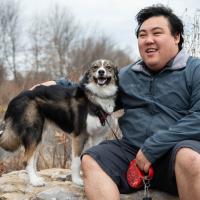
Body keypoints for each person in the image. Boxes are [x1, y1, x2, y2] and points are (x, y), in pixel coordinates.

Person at [35, 5, 200, 200]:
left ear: (176, 37)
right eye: (142, 35)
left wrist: (153, 147)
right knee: (92, 159)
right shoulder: (127, 75)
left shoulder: (194, 70)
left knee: (190, 159)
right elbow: (92, 93)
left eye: (157, 33)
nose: (148, 40)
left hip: (178, 150)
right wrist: (55, 85)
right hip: (132, 151)